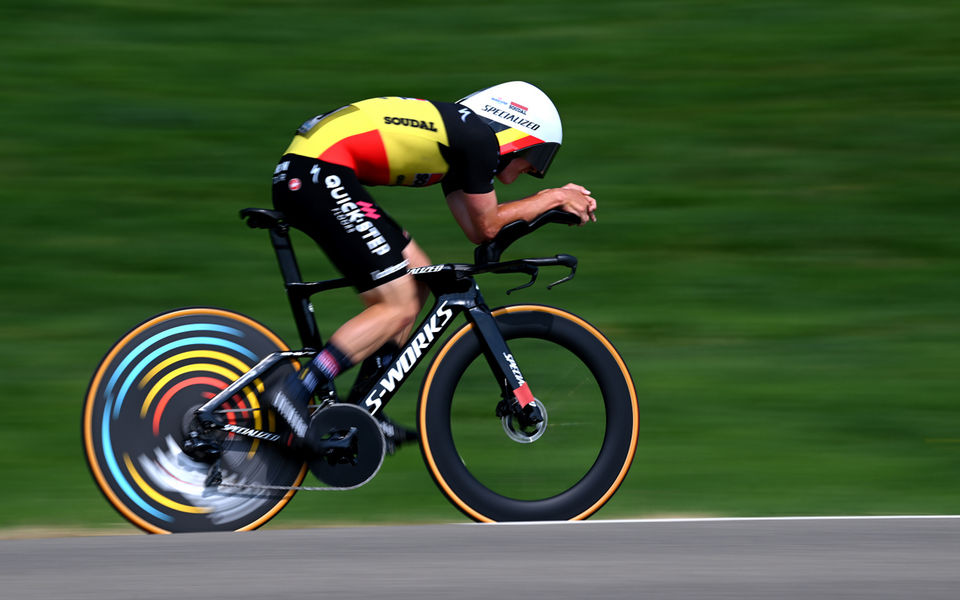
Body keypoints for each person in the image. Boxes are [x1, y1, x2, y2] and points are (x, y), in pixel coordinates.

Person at [269, 81, 597, 452]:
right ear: (521, 135)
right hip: (319, 173)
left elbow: (478, 232)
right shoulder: (478, 139)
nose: (534, 171)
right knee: (395, 303)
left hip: (313, 171)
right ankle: (296, 389)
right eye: (538, 160)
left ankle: (362, 409)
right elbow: (489, 224)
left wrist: (544, 208)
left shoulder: (461, 142)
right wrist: (551, 197)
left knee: (417, 282)